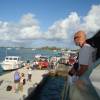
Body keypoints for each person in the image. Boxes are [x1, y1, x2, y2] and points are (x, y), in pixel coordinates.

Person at [68, 31, 98, 100]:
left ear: (78, 38)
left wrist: (74, 77)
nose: (74, 40)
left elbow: (83, 69)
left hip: (85, 82)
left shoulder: (84, 49)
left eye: (74, 38)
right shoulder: (90, 47)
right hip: (90, 79)